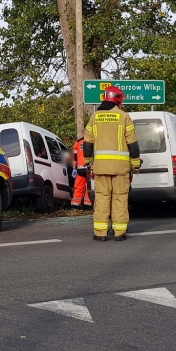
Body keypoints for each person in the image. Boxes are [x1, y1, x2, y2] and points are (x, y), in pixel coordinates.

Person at [83, 86, 140, 240]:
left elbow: (87, 143)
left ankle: (100, 233)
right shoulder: (123, 116)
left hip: (100, 167)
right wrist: (135, 165)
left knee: (102, 198)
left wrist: (88, 162)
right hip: (121, 168)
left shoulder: (95, 117)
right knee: (120, 198)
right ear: (118, 99)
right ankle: (119, 233)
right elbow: (132, 144)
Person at [70, 136, 91, 209]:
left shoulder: (78, 142)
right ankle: (87, 204)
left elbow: (75, 156)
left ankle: (75, 204)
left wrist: (74, 168)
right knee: (89, 186)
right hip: (89, 167)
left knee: (78, 185)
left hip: (80, 168)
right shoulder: (93, 140)